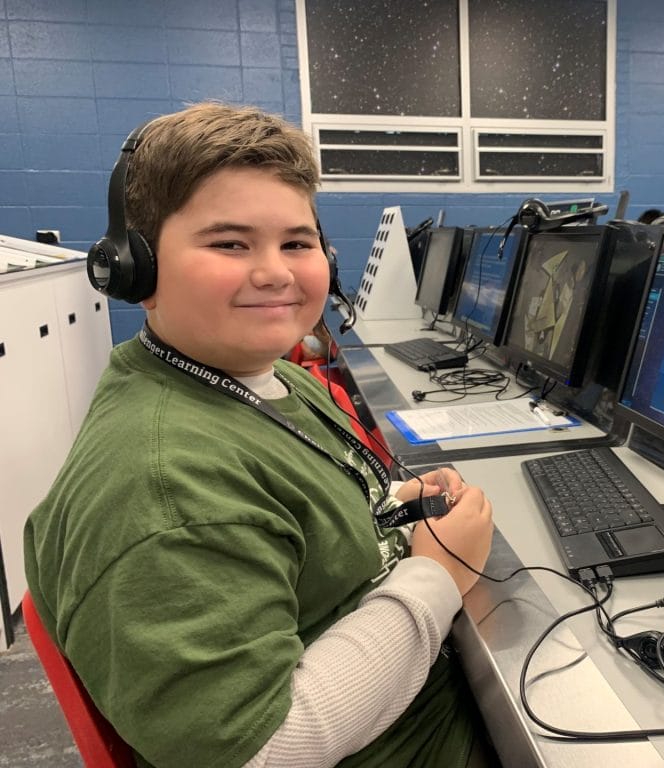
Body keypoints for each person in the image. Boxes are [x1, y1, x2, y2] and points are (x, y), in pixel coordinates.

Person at [23, 103, 495, 768]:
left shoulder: (263, 379)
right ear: (136, 269)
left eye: (297, 243)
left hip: (426, 698)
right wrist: (437, 576)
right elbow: (264, 748)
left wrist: (393, 505)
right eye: (230, 243)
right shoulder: (165, 486)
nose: (276, 271)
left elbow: (291, 514)